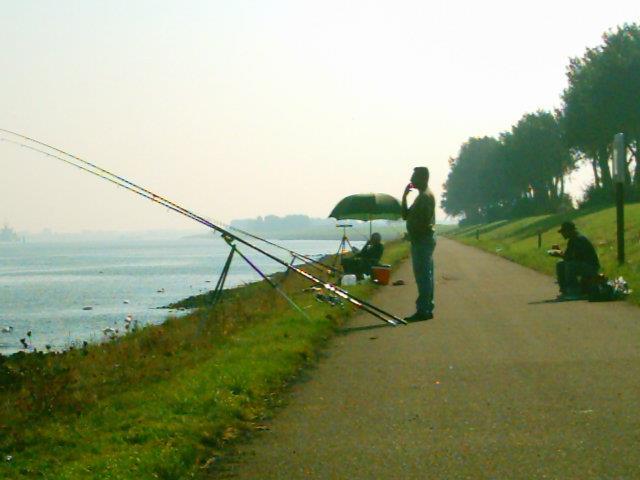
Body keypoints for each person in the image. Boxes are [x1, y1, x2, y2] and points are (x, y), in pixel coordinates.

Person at [402, 167, 436, 321]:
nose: (411, 180)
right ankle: (426, 308)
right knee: (425, 275)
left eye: (414, 177)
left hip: (422, 241)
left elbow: (424, 222)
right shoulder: (420, 197)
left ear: (423, 178)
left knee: (423, 277)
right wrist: (404, 196)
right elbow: (405, 215)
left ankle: (424, 310)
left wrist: (413, 234)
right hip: (419, 241)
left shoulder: (425, 197)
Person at [550, 221, 600, 298]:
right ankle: (565, 290)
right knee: (560, 264)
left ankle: (574, 291)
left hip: (591, 267)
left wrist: (559, 253)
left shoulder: (579, 240)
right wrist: (559, 251)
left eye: (564, 232)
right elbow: (568, 256)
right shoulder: (572, 240)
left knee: (570, 265)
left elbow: (570, 258)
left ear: (570, 231)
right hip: (582, 264)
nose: (562, 234)